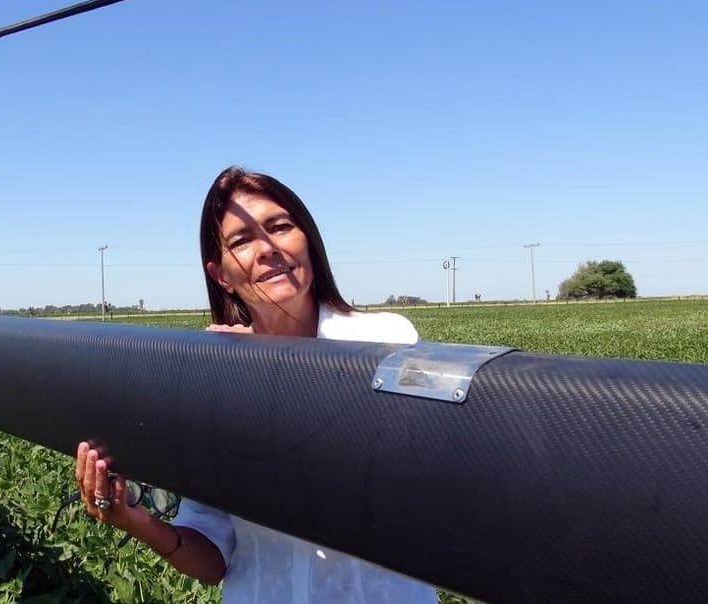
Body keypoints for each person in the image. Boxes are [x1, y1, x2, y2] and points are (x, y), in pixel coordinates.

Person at [75, 166, 437, 602]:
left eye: (280, 226)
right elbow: (214, 558)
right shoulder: (213, 382)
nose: (267, 248)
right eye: (242, 240)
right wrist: (135, 520)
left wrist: (266, 368)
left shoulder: (385, 340)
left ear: (309, 242)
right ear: (221, 274)